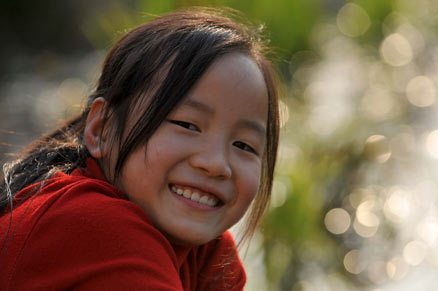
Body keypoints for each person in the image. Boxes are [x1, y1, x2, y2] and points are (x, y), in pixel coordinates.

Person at [0, 8, 279, 290]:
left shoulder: (207, 255)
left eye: (244, 145)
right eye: (187, 125)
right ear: (102, 129)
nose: (216, 164)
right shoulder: (97, 227)